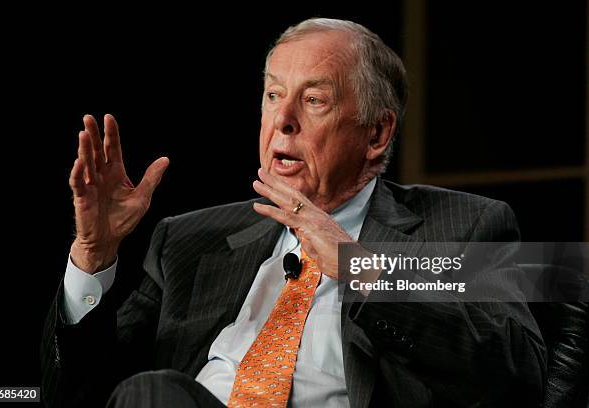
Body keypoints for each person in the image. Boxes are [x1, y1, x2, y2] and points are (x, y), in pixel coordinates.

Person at [41, 18, 546, 407]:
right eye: (273, 95)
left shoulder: (458, 227)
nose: (282, 121)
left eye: (314, 100)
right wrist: (94, 255)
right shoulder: (187, 242)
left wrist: (357, 265)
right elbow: (83, 393)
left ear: (377, 134)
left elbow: (516, 376)